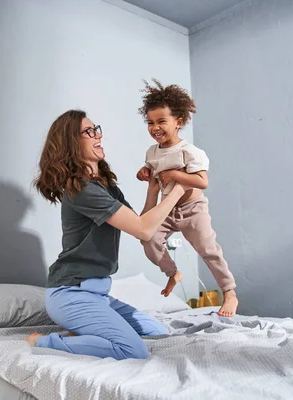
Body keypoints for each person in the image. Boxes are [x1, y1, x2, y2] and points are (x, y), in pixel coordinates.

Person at [22, 109, 189, 360]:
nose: (97, 135)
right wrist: (179, 189)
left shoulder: (105, 186)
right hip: (71, 294)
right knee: (133, 349)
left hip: (99, 295)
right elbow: (144, 228)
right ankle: (44, 341)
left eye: (96, 129)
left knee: (158, 332)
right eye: (88, 132)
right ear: (71, 143)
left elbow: (142, 229)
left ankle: (82, 334)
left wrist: (153, 190)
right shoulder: (80, 189)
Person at [136, 79, 239, 317]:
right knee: (148, 240)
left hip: (193, 209)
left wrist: (175, 174)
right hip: (166, 210)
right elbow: (150, 171)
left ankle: (229, 292)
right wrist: (143, 173)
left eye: (162, 121)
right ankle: (173, 273)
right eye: (150, 122)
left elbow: (202, 181)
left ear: (178, 122)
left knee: (208, 249)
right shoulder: (151, 151)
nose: (155, 127)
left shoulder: (190, 152)